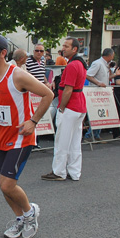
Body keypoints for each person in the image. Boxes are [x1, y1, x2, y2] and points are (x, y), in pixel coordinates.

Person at [0, 34, 54, 238]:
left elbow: (48, 95)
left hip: (20, 138)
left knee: (7, 184)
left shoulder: (17, 76)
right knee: (4, 185)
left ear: (3, 53)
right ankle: (20, 219)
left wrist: (33, 121)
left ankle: (30, 212)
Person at [42, 37, 87, 181]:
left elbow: (68, 89)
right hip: (78, 106)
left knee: (62, 141)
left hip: (71, 107)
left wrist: (61, 107)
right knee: (74, 142)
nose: (63, 48)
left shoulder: (73, 65)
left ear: (74, 49)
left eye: (66, 46)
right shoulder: (80, 64)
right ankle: (74, 172)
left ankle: (59, 171)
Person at [84, 48, 116, 141]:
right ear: (110, 55)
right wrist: (98, 83)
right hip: (95, 93)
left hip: (102, 94)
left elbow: (104, 78)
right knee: (96, 115)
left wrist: (114, 74)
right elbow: (88, 75)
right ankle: (90, 135)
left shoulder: (105, 65)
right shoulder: (98, 63)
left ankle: (96, 135)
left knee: (101, 115)